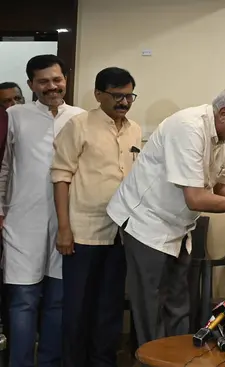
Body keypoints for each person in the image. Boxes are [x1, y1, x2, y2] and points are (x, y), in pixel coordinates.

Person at [107, 86, 225, 346]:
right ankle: (154, 363)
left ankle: (178, 358)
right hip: (145, 223)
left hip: (178, 227)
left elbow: (221, 187)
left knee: (179, 302)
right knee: (151, 306)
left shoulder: (224, 139)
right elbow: (196, 198)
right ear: (224, 112)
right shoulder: (188, 127)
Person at [51, 67, 141, 367]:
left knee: (109, 309)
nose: (124, 102)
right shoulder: (79, 125)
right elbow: (61, 177)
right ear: (99, 94)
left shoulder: (135, 130)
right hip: (83, 233)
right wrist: (64, 228)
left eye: (129, 96)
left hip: (121, 233)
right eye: (117, 96)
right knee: (77, 309)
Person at [0, 54, 85, 367]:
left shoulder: (80, 117)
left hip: (69, 223)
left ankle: (50, 363)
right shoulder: (15, 116)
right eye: (44, 81)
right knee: (23, 302)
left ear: (65, 79)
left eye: (57, 79)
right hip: (23, 221)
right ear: (31, 85)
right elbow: (5, 167)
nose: (52, 86)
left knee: (59, 300)